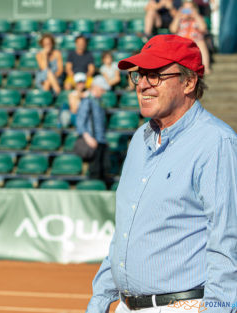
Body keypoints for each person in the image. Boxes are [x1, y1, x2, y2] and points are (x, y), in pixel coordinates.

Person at [86, 34, 237, 313]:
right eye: (140, 75)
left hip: (184, 305)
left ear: (189, 82)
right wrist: (100, 300)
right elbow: (125, 234)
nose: (142, 84)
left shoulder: (216, 142)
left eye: (155, 75)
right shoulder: (139, 140)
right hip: (126, 306)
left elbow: (228, 242)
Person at [74, 75, 110, 182]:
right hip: (93, 142)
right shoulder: (87, 101)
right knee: (95, 172)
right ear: (95, 87)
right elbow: (80, 122)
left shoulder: (99, 101)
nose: (103, 91)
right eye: (101, 89)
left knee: (104, 170)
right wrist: (88, 138)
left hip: (101, 140)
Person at [170, 0, 211, 74]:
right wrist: (178, 16)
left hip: (196, 41)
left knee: (201, 43)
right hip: (182, 41)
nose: (188, 12)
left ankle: (206, 67)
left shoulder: (198, 18)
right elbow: (173, 29)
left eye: (190, 9)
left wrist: (196, 16)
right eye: (186, 10)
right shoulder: (180, 19)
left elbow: (203, 28)